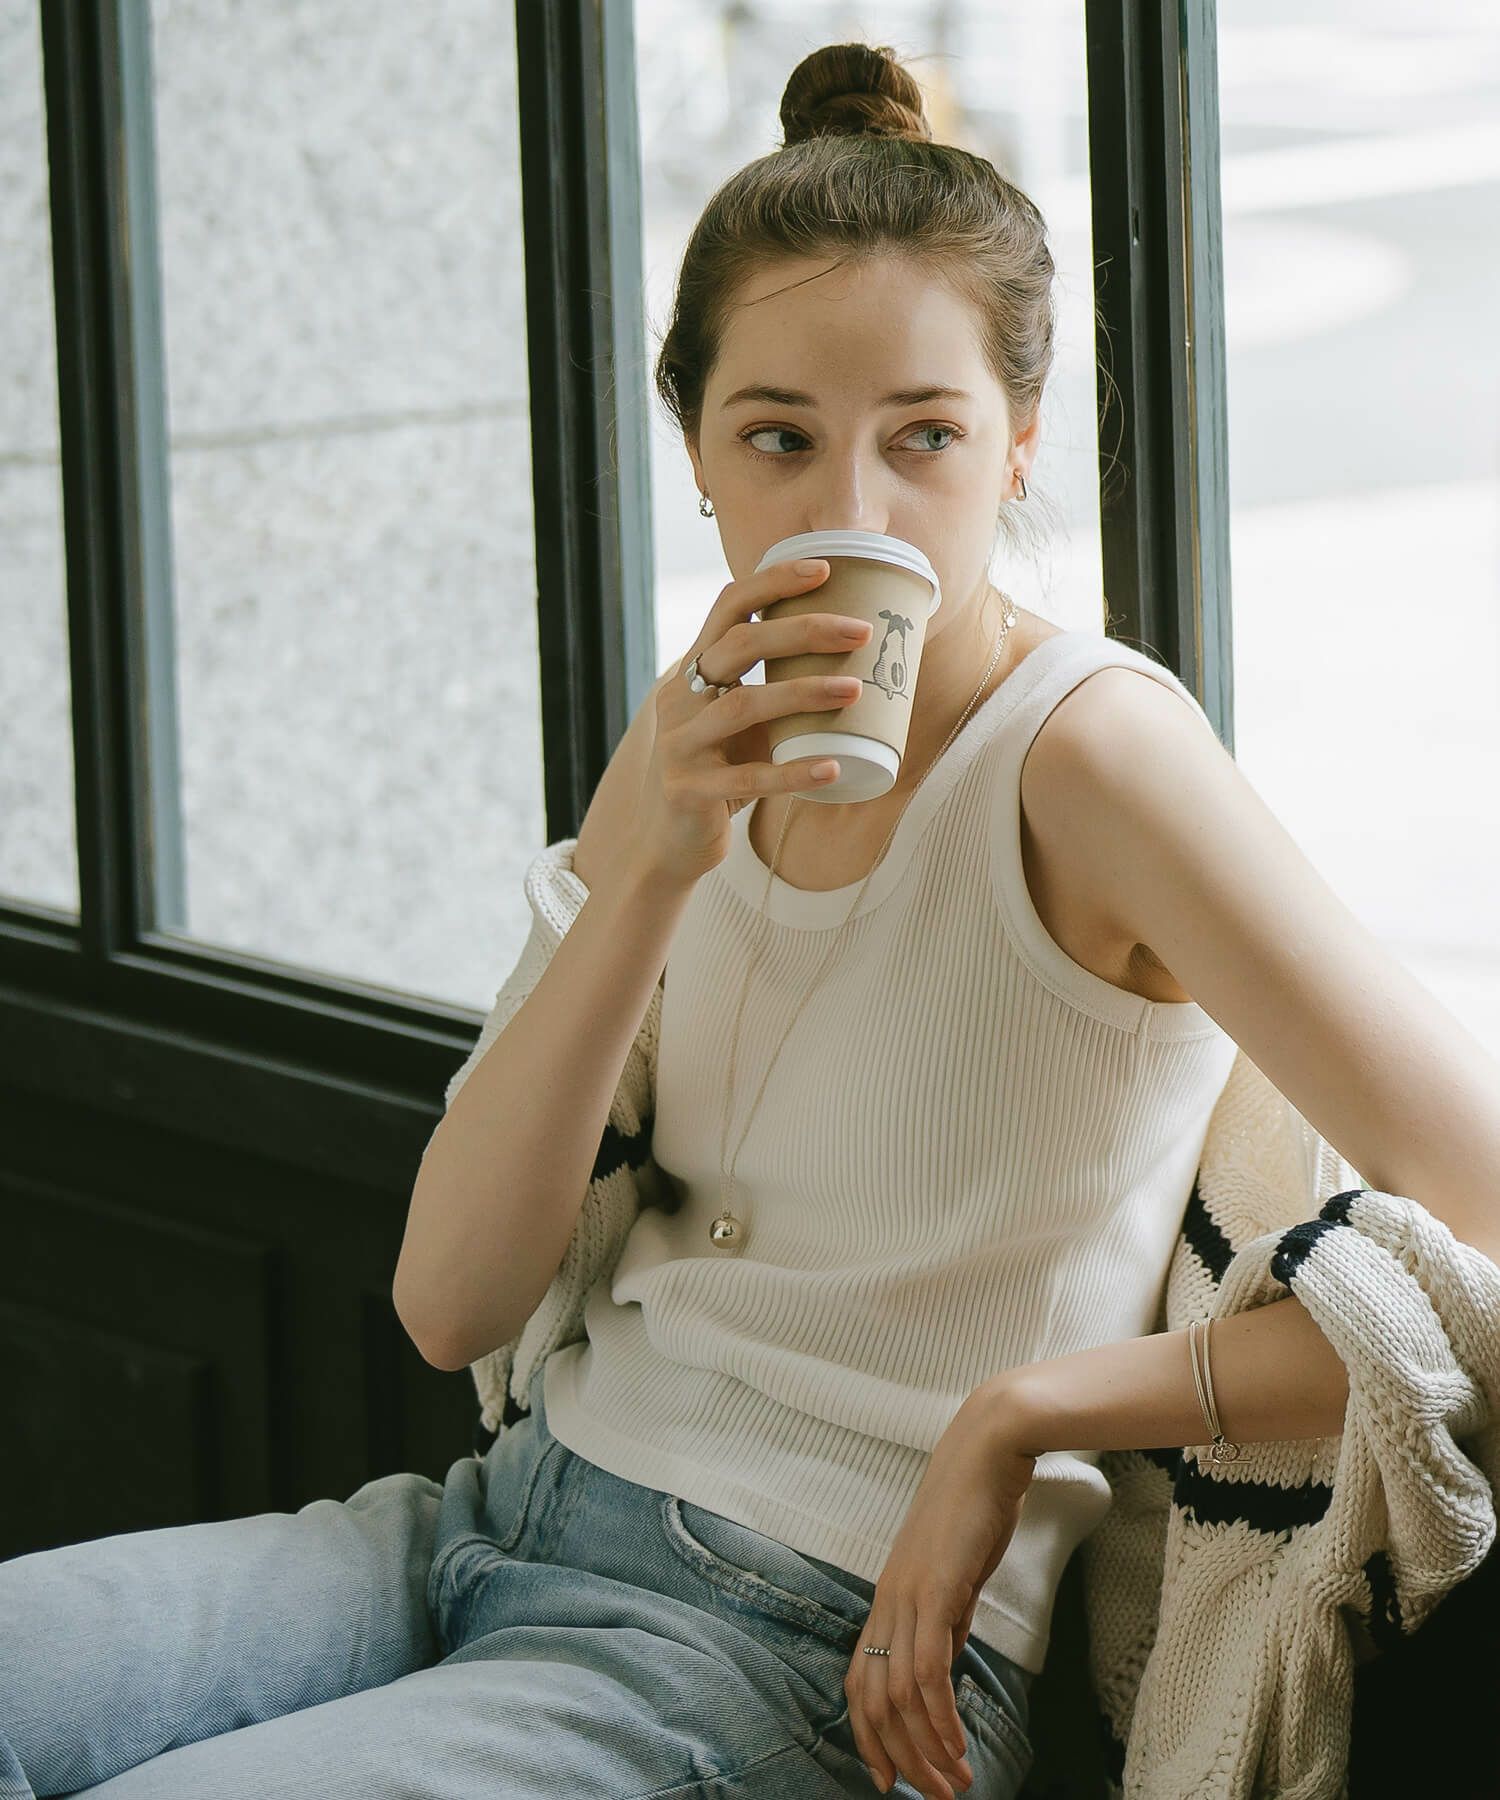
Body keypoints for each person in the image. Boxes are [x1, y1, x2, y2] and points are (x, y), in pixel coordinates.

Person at [7, 36, 1416, 1800]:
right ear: (693, 447)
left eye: (925, 437)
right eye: (779, 438)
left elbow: (1482, 1229)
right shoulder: (690, 735)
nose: (852, 512)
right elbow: (450, 1304)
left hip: (808, 1643)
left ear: (1021, 443)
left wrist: (1025, 1411)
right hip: (493, 1518)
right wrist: (650, 866)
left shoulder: (1094, 761)